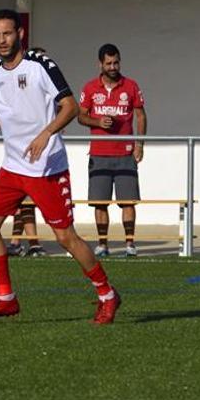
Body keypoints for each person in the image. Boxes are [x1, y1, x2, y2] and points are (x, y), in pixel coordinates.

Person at [0, 9, 121, 324]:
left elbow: (70, 107)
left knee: (65, 238)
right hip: (13, 168)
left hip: (46, 169)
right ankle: (5, 298)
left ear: (20, 34)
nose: (2, 40)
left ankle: (107, 294)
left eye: (7, 33)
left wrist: (46, 132)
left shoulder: (41, 66)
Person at [78, 44, 147, 258]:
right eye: (108, 63)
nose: (113, 66)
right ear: (100, 64)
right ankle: (103, 244)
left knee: (128, 201)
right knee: (100, 202)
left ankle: (129, 244)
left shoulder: (131, 86)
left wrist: (139, 144)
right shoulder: (90, 88)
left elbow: (141, 116)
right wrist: (98, 121)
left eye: (116, 62)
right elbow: (80, 116)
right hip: (99, 153)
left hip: (125, 153)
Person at [6, 46, 49, 259]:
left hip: (42, 153)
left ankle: (21, 243)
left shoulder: (48, 84)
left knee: (26, 199)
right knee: (22, 199)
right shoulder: (19, 79)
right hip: (21, 151)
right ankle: (28, 243)